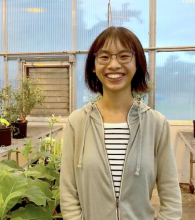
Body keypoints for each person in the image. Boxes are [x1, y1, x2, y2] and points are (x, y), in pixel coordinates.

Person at [60, 26, 182, 220]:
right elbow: (68, 191)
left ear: (137, 64)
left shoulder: (156, 124)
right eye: (104, 57)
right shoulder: (78, 122)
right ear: (93, 65)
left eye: (124, 56)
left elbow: (171, 195)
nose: (114, 64)